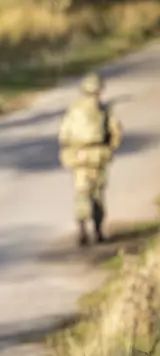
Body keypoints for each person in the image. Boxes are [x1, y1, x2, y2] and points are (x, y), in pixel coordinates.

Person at [58, 72, 123, 246]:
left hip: (78, 156)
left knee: (81, 191)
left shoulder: (73, 110)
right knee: (97, 193)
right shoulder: (103, 109)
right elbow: (116, 131)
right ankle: (98, 230)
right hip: (98, 155)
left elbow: (64, 134)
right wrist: (110, 147)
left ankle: (81, 228)